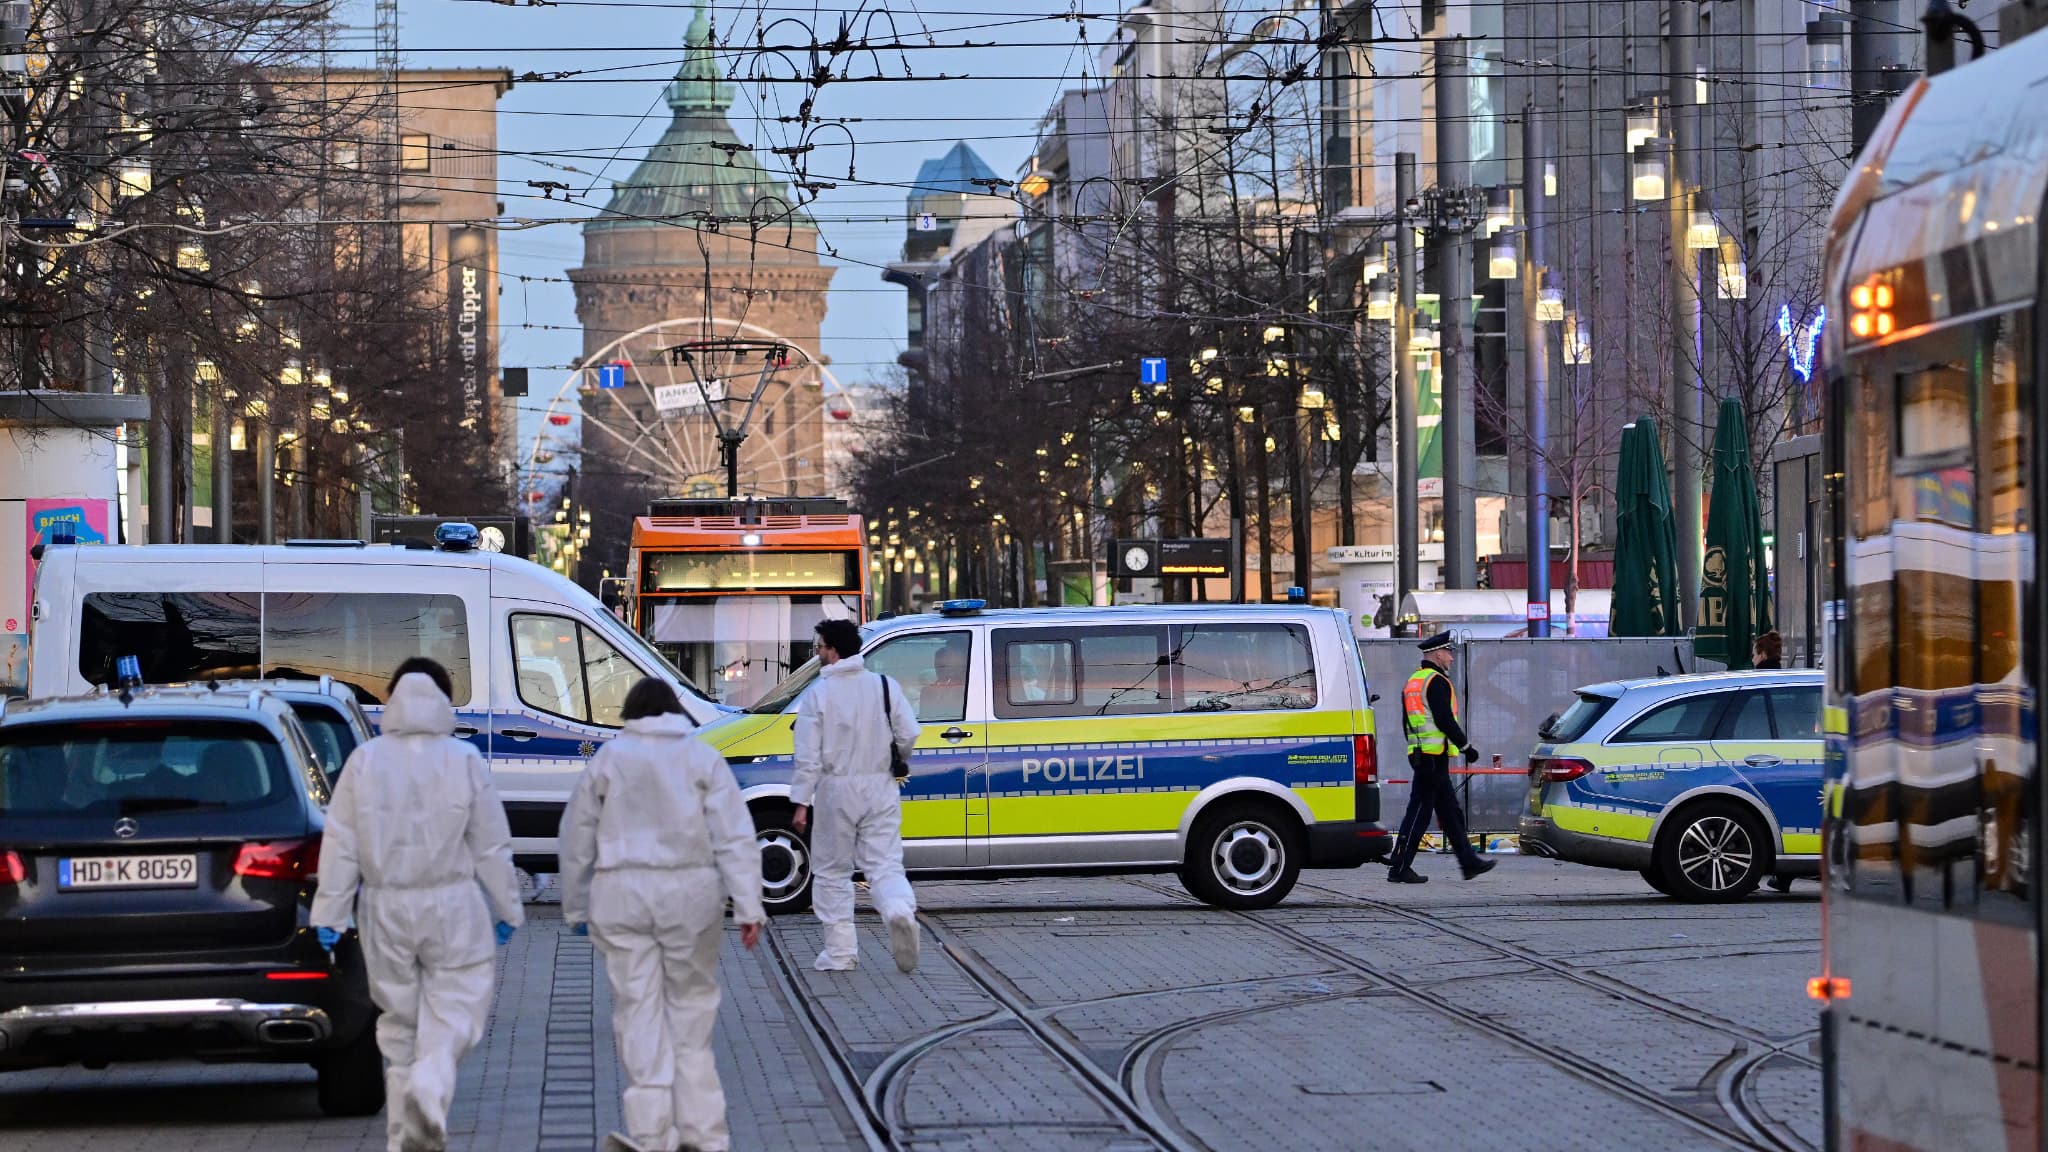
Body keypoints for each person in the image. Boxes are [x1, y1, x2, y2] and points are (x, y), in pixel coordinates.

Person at [311, 658, 523, 1152]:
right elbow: (491, 843)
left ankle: (405, 1135)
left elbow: (341, 843)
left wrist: (329, 914)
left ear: (392, 699)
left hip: (384, 907)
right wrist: (508, 907)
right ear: (445, 700)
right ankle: (429, 1091)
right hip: (451, 903)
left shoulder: (365, 761)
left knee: (400, 1024)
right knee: (456, 1005)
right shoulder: (463, 759)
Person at [559, 678, 766, 1152]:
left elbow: (575, 836)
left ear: (630, 713)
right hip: (690, 895)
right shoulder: (701, 758)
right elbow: (734, 835)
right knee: (691, 1019)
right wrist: (749, 907)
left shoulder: (609, 759)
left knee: (638, 1014)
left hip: (621, 894)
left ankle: (651, 1136)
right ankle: (705, 1136)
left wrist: (576, 906)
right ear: (675, 712)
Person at [792, 617, 922, 973]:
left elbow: (807, 758)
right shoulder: (884, 686)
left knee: (832, 871)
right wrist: (896, 757)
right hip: (880, 786)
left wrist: (801, 802)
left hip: (836, 791)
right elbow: (909, 733)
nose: (817, 654)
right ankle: (897, 910)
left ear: (832, 651)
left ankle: (840, 953)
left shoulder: (817, 696)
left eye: (819, 648)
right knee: (884, 863)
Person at [1386, 632, 1497, 885]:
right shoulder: (1436, 681)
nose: (1452, 658)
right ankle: (1399, 866)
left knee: (1450, 812)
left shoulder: (1415, 681)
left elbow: (1406, 723)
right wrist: (1467, 747)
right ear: (1437, 654)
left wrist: (1415, 749)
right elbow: (1444, 720)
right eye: (1449, 653)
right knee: (1420, 813)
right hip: (1433, 758)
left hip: (1425, 756)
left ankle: (1468, 863)